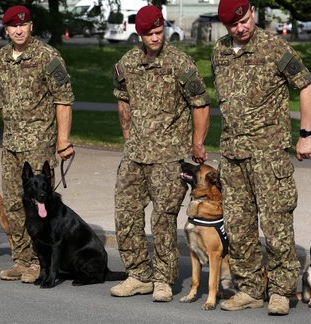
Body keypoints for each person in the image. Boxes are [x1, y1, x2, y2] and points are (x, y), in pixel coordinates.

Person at [211, 0, 311, 315]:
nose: (240, 29)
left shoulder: (274, 47)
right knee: (238, 224)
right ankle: (250, 289)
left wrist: (305, 134)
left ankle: (282, 291)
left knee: (276, 222)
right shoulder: (219, 52)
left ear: (253, 12)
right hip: (232, 153)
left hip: (268, 152)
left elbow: (307, 86)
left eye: (244, 21)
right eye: (233, 25)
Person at [109, 5, 210, 302]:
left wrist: (198, 143)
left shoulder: (180, 62)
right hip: (135, 153)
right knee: (125, 213)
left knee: (163, 219)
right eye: (148, 33)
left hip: (169, 155)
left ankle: (164, 279)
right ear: (139, 34)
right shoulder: (127, 62)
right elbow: (123, 98)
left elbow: (200, 104)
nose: (155, 37)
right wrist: (127, 133)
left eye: (158, 31)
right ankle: (138, 274)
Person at [0, 5, 74, 283]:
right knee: (14, 204)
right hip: (11, 144)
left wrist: (62, 141)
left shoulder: (48, 56)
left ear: (31, 26)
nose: (18, 30)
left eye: (23, 25)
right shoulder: (1, 58)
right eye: (13, 26)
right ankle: (22, 259)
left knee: (40, 206)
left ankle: (41, 262)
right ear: (6, 29)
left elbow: (63, 99)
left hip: (39, 143)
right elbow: (2, 100)